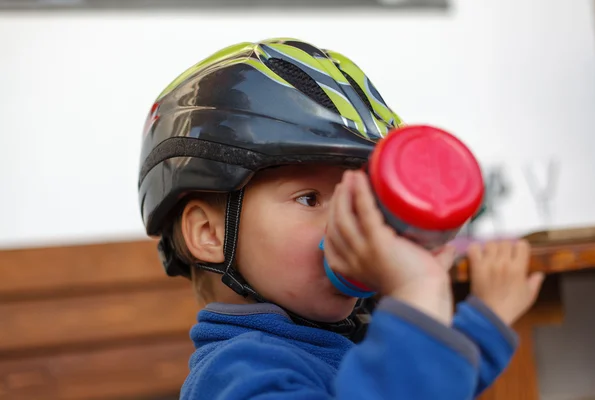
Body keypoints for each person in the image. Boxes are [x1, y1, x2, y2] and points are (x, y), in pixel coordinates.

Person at [137, 38, 545, 399]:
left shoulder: (328, 340)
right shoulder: (236, 376)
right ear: (209, 233)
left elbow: (425, 382)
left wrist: (484, 323)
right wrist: (417, 291)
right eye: (310, 198)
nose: (352, 223)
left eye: (362, 197)